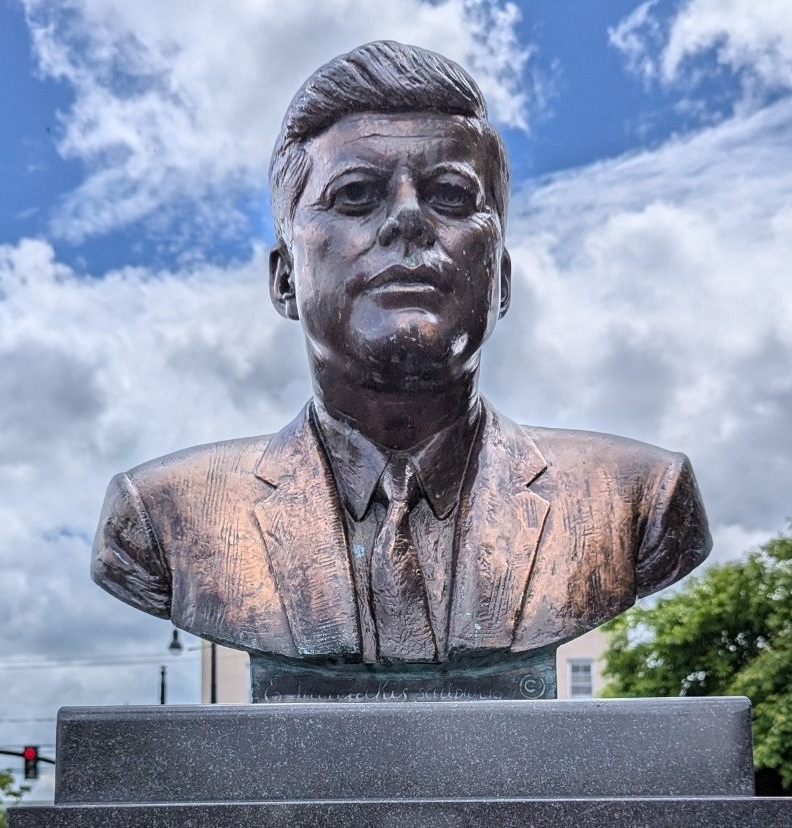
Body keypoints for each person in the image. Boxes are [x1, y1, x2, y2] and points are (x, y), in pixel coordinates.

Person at [92, 41, 710, 694]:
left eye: (450, 195)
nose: (409, 220)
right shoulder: (163, 517)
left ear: (500, 281)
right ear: (283, 279)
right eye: (356, 195)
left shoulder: (641, 500)